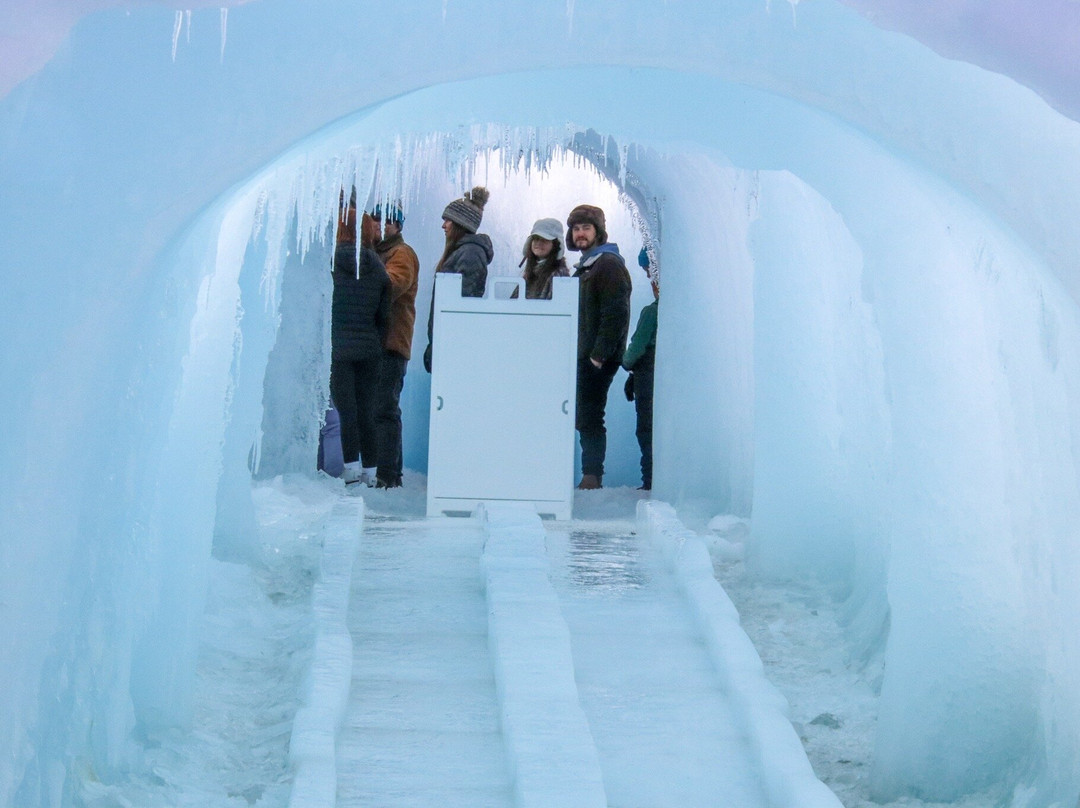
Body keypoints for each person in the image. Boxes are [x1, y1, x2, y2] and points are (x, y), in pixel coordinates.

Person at [566, 204, 632, 490]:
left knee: (591, 415)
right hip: (586, 354)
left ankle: (592, 477)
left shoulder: (607, 263)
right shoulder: (589, 265)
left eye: (586, 228)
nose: (580, 233)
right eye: (576, 228)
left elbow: (616, 312)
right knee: (585, 413)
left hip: (596, 357)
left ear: (598, 231)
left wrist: (598, 355)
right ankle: (590, 475)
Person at [330, 189, 391, 486]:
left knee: (346, 410)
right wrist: (375, 342)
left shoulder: (332, 266)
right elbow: (385, 317)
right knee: (367, 409)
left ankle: (351, 467)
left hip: (339, 349)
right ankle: (371, 471)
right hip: (369, 349)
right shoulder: (379, 269)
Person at [371, 203, 419, 489]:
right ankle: (384, 472)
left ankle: (388, 476)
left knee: (384, 409)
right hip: (381, 343)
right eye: (376, 219)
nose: (381, 225)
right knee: (381, 409)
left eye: (387, 221)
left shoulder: (401, 253)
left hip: (391, 343)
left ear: (398, 226)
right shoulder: (381, 253)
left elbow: (391, 285)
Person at [423, 186, 493, 372]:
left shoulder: (470, 253)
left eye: (448, 220)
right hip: (449, 343)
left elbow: (462, 306)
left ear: (460, 224)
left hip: (453, 345)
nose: (443, 225)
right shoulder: (464, 252)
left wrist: (442, 344)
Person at [623, 247, 658, 491]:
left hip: (647, 378)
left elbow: (634, 351)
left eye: (649, 270)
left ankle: (650, 481)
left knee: (646, 429)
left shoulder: (651, 313)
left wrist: (627, 364)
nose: (648, 278)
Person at [515, 217, 569, 300]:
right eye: (536, 238)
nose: (539, 243)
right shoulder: (531, 271)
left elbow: (556, 310)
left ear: (556, 245)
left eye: (545, 240)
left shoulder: (558, 275)